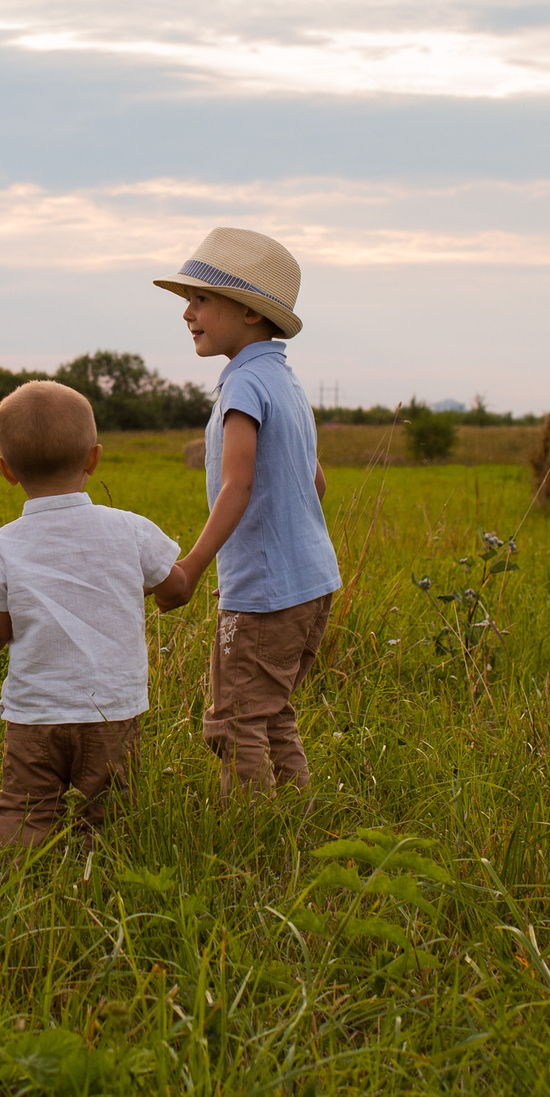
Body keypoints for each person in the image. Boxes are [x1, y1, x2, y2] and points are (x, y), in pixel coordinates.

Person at [0, 380, 185, 846]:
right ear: (93, 459)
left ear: (6, 471)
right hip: (113, 710)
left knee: (26, 809)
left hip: (36, 713)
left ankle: (17, 882)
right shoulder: (129, 530)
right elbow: (175, 589)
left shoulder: (3, 546)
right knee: (110, 814)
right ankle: (97, 882)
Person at [154, 227, 341, 796]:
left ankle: (254, 831)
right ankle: (293, 816)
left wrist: (192, 567)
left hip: (269, 593)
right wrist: (255, 565)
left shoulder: (242, 388)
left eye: (202, 299)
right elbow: (315, 482)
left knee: (235, 723)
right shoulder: (285, 383)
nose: (187, 312)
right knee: (269, 710)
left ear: (252, 313)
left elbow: (238, 484)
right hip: (310, 583)